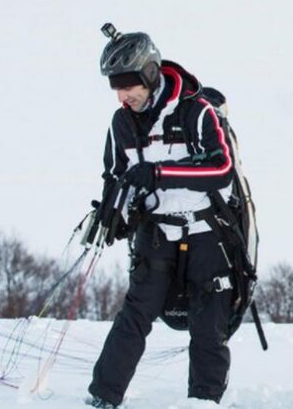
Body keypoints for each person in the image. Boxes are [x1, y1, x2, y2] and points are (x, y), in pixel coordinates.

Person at [87, 25, 237, 407]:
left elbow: (222, 170)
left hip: (207, 231)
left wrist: (159, 173)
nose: (123, 94)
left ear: (150, 74)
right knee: (134, 315)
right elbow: (116, 175)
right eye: (115, 86)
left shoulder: (196, 111)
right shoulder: (121, 122)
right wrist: (111, 213)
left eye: (129, 83)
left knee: (208, 327)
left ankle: (203, 401)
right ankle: (103, 396)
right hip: (156, 234)